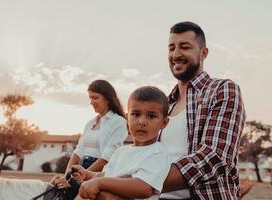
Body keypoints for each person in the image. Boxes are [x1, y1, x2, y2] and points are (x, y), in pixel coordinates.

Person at [159, 21, 246, 199]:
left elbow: (213, 158)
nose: (175, 54)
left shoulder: (223, 90)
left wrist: (141, 181)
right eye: (171, 48)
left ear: (203, 53)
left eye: (185, 47)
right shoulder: (163, 104)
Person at [76, 86, 171, 200]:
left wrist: (100, 183)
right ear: (127, 118)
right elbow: (107, 175)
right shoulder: (121, 151)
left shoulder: (158, 153)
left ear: (164, 122)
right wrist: (88, 174)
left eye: (151, 116)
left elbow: (144, 188)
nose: (142, 122)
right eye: (136, 114)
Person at [52, 79, 127, 189]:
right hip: (81, 168)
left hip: (99, 171)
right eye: (90, 98)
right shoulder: (90, 123)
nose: (91, 102)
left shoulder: (118, 122)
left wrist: (80, 177)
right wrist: (67, 176)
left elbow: (106, 158)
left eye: (95, 97)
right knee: (53, 185)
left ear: (107, 99)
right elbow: (77, 153)